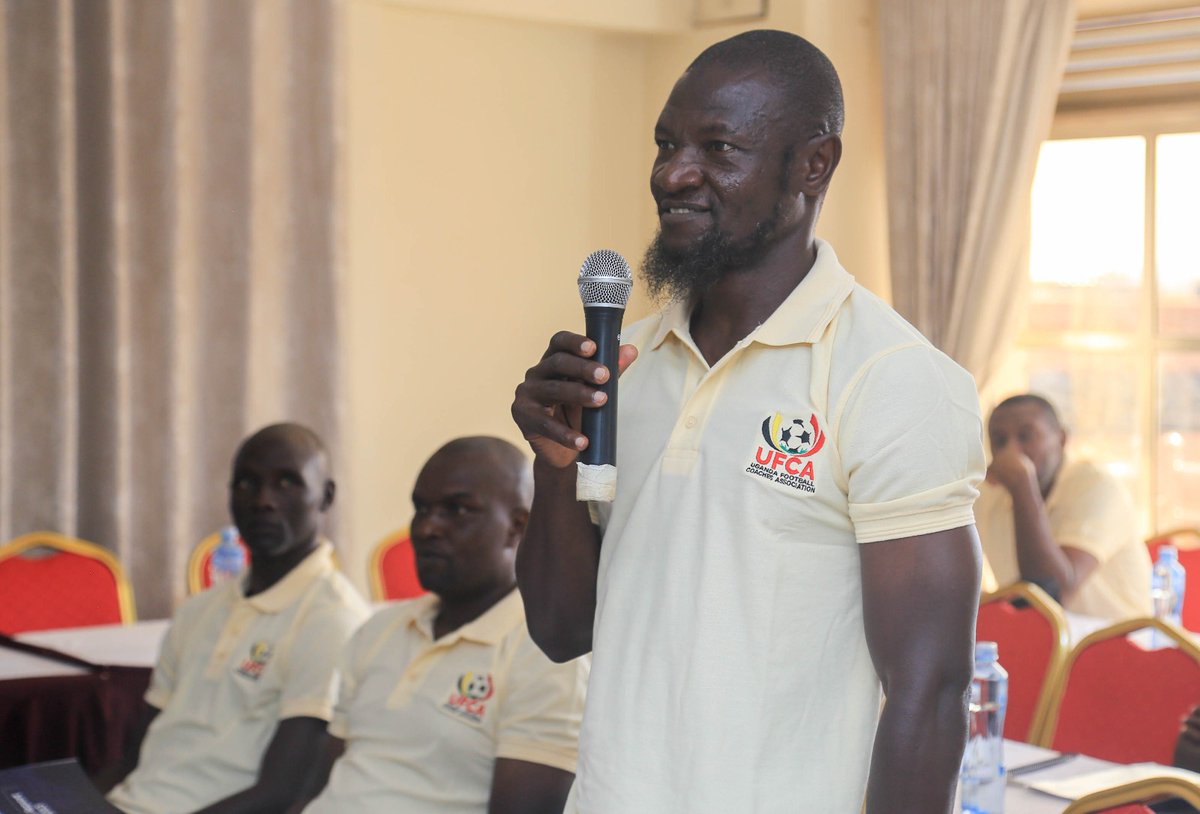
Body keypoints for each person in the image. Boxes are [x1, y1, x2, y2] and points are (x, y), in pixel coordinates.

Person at [510, 29, 986, 814]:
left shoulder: (890, 377)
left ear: (814, 164)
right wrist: (553, 465)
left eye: (718, 147)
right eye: (666, 143)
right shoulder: (626, 362)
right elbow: (563, 631)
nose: (673, 174)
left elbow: (928, 693)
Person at [295, 437, 588, 814]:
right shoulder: (378, 629)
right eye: (421, 508)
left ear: (519, 527)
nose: (427, 528)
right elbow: (320, 789)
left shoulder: (549, 657)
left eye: (457, 510)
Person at [96, 423, 370, 813]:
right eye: (246, 484)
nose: (263, 501)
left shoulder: (331, 620)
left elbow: (282, 793)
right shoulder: (198, 611)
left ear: (325, 497)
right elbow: (133, 761)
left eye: (287, 483)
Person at [974, 394, 1152, 620]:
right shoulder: (989, 494)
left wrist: (1023, 488)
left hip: (1118, 644)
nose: (1012, 452)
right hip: (1040, 640)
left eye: (1026, 436)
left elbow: (1053, 592)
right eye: (999, 441)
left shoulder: (1097, 487)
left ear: (1061, 439)